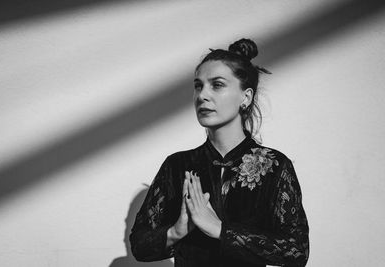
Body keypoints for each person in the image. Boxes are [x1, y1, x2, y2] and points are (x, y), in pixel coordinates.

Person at [129, 38, 309, 267]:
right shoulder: (177, 165)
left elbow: (297, 250)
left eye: (217, 85)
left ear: (245, 97)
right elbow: (139, 246)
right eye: (198, 85)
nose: (202, 95)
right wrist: (176, 231)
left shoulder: (275, 166)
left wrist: (220, 230)